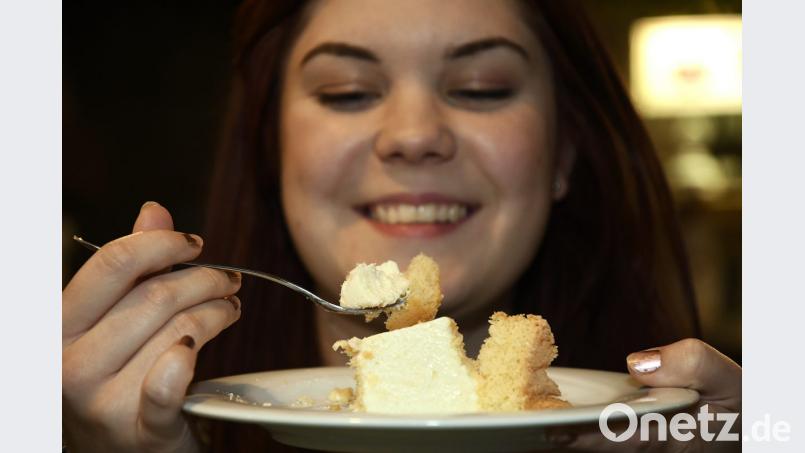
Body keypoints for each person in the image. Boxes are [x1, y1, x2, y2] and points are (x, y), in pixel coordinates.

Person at [62, 0, 741, 451]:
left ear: (562, 154)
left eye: (480, 88)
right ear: (272, 151)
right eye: (347, 93)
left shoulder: (678, 419)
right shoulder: (169, 416)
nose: (414, 136)